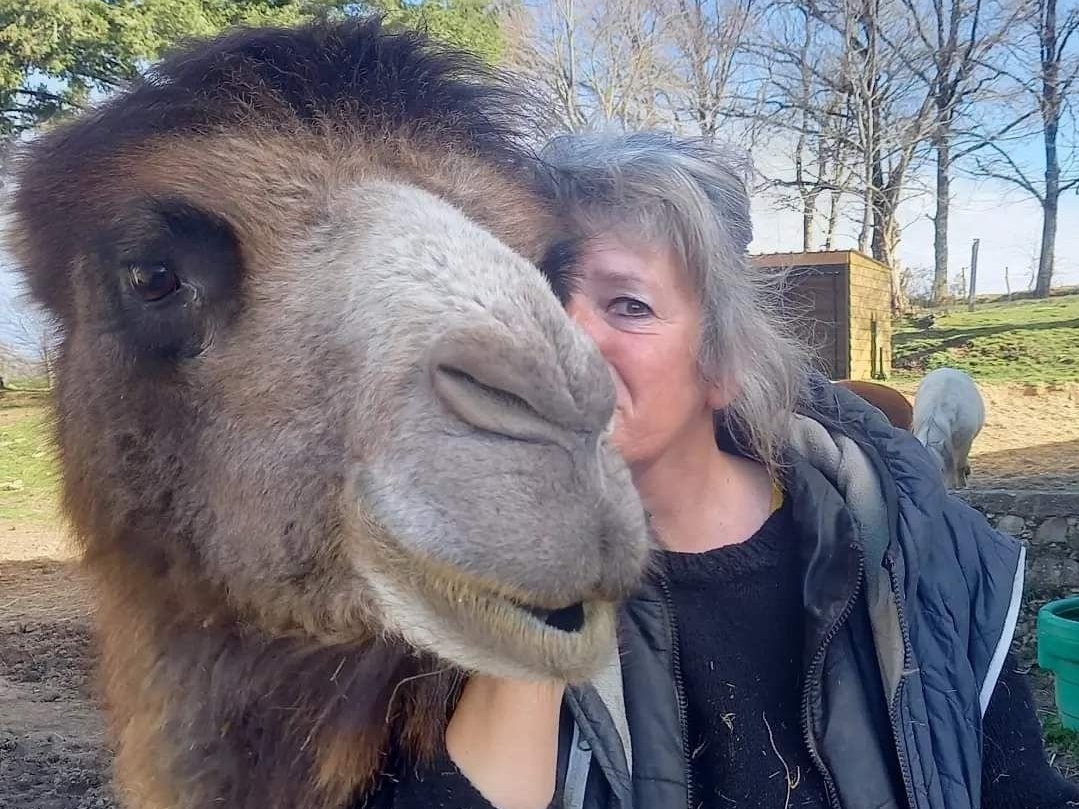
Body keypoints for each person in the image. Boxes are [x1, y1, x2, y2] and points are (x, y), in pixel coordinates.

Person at [364, 132, 1079, 809]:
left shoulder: (922, 560)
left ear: (723, 364)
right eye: (539, 294)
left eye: (628, 304)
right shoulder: (423, 591)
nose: (561, 335)